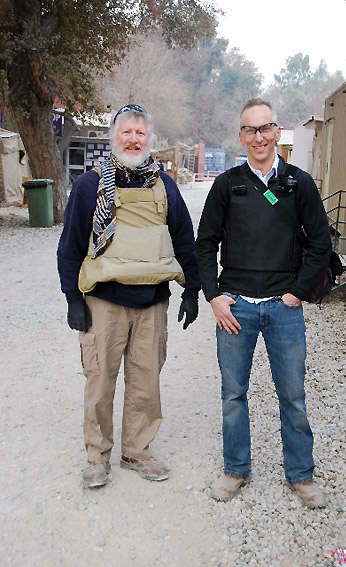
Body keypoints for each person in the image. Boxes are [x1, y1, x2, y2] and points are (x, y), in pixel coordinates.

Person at [195, 98, 331, 508]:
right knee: (233, 394)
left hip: (283, 309)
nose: (259, 137)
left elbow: (321, 243)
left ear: (276, 133)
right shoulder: (227, 185)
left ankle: (301, 475)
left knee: (292, 394)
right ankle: (235, 469)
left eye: (265, 128)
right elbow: (204, 245)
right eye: (250, 130)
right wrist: (215, 297)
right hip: (236, 309)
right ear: (241, 136)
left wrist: (298, 292)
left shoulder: (298, 183)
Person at [57, 104, 200, 488]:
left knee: (145, 381)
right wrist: (72, 297)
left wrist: (193, 290)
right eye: (126, 132)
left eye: (140, 133)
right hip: (103, 302)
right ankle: (96, 455)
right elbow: (70, 246)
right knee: (100, 380)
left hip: (152, 302)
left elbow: (185, 240)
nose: (133, 139)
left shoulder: (165, 185)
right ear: (113, 138)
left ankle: (136, 451)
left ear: (148, 139)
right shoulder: (90, 186)